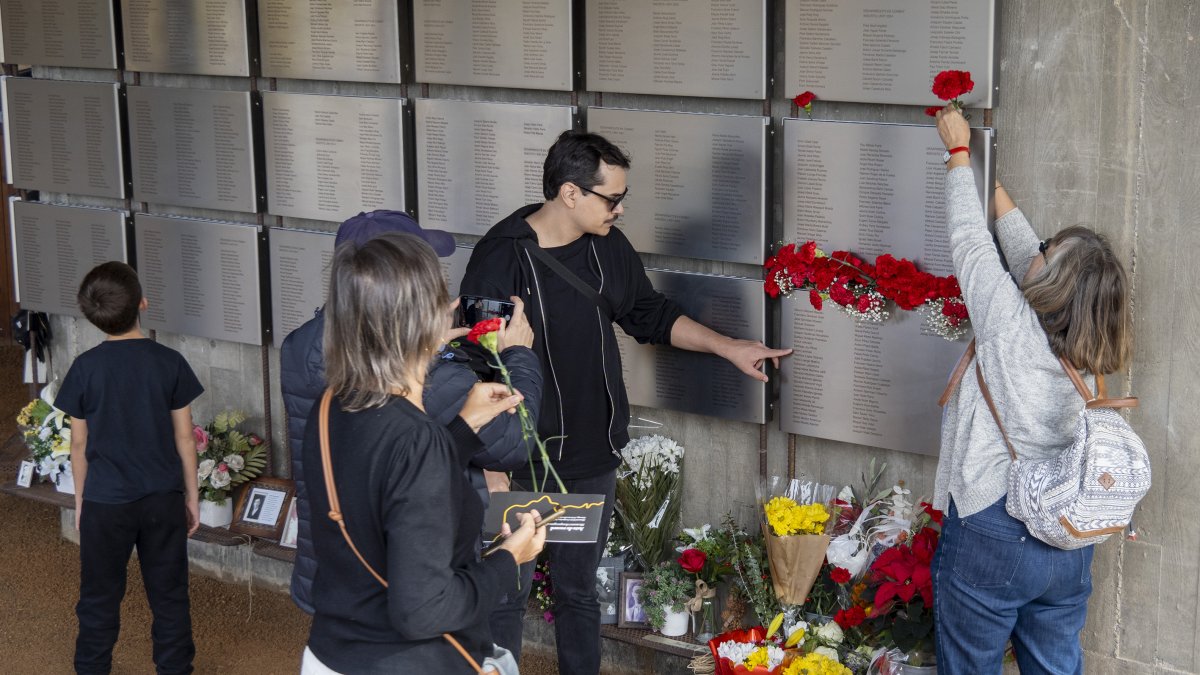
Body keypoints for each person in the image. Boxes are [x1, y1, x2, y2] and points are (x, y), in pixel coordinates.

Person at [460, 129, 792, 674]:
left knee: (578, 592)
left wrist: (728, 346)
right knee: (506, 595)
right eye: (612, 198)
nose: (620, 208)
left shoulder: (608, 247)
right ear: (571, 194)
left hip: (590, 453)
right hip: (521, 459)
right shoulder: (502, 257)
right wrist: (493, 469)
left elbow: (648, 314)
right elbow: (476, 360)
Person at [280, 210, 543, 655]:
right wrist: (506, 559)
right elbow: (423, 609)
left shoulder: (335, 401)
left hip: (336, 645)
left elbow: (388, 469)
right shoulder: (413, 430)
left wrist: (463, 428)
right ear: (421, 316)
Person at [930, 107, 1132, 673]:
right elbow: (1025, 256)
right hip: (1068, 532)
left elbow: (970, 243)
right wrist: (985, 173)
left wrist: (956, 154)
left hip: (993, 526)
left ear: (1053, 281)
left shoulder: (1008, 322)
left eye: (1048, 251)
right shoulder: (1091, 339)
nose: (1035, 253)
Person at [55, 261, 204, 675]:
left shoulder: (85, 368)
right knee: (170, 597)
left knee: (99, 599)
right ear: (142, 303)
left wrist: (82, 502)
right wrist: (190, 496)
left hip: (106, 502)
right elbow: (185, 439)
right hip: (162, 498)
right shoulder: (169, 362)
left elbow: (79, 444)